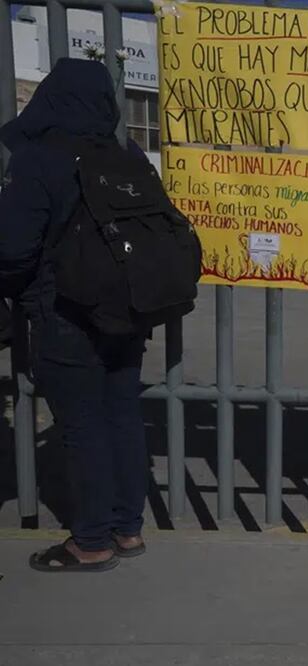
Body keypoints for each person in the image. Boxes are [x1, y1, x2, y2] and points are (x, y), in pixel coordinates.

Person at [0, 59, 151, 571]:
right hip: (128, 312)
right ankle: (127, 529)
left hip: (64, 311)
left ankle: (91, 541)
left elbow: (12, 249)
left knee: (82, 424)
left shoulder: (38, 157)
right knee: (122, 417)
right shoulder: (126, 153)